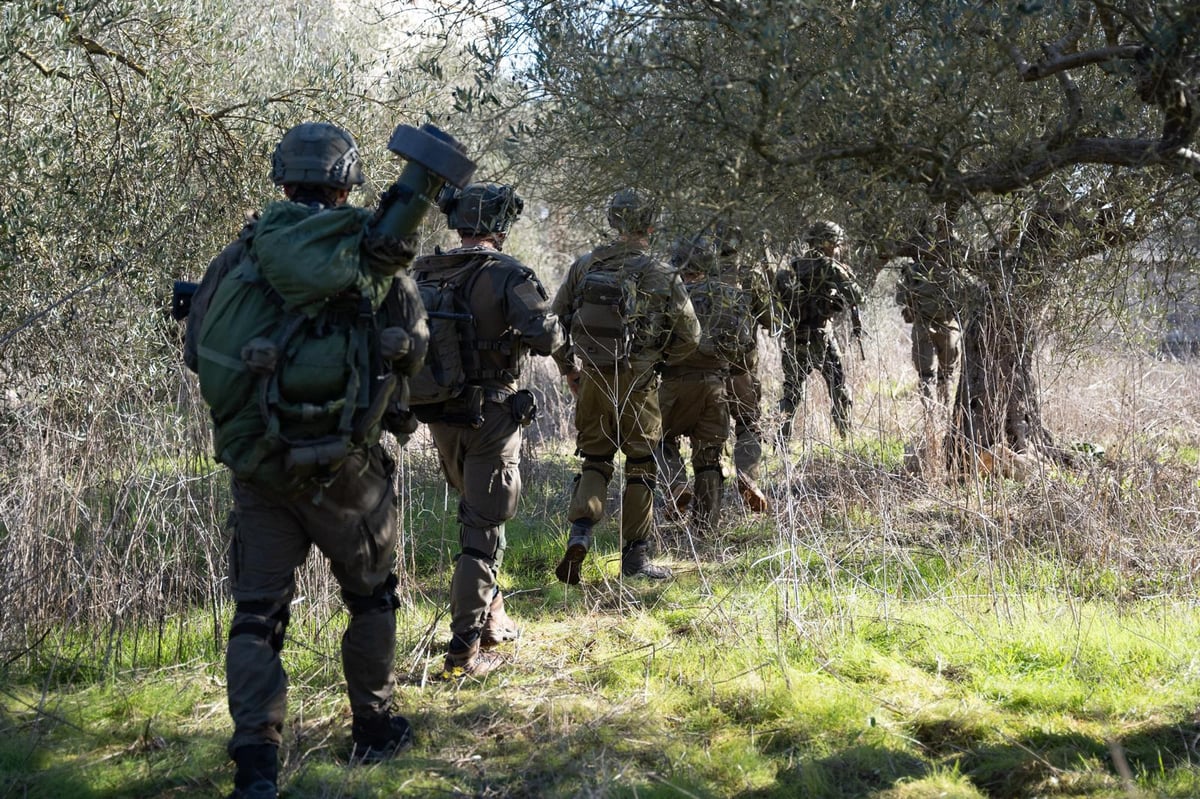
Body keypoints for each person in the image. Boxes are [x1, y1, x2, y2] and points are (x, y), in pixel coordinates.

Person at [183, 122, 430, 799]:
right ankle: (374, 728)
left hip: (261, 470)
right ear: (348, 182)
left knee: (258, 613)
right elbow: (413, 352)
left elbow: (196, 346)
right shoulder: (375, 260)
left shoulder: (241, 255)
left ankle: (257, 763)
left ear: (282, 179)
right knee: (373, 596)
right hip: (348, 471)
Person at [409, 183, 563, 677]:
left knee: (473, 514)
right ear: (500, 226)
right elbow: (545, 336)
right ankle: (463, 653)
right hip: (492, 417)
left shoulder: (424, 271)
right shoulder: (507, 273)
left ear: (459, 224)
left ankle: (493, 622)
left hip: (438, 413)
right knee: (482, 535)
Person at [550, 188, 701, 584]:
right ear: (650, 225)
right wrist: (658, 362)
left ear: (612, 221)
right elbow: (691, 335)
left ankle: (580, 534)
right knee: (640, 466)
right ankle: (635, 560)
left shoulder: (584, 266)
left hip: (593, 378)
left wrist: (571, 370)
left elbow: (553, 323)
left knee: (595, 460)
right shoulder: (661, 273)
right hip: (639, 382)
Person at [654, 235, 734, 534]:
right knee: (710, 456)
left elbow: (649, 340)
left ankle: (675, 484)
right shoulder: (728, 296)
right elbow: (745, 344)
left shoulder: (664, 295)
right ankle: (705, 529)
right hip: (715, 385)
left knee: (656, 440)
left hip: (674, 383)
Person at [774, 220, 864, 441]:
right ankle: (846, 438)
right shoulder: (829, 266)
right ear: (826, 242)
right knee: (838, 387)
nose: (838, 248)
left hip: (795, 337)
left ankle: (781, 443)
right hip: (821, 337)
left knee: (791, 393)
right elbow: (857, 295)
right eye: (836, 243)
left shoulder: (795, 265)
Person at [712, 222, 775, 512]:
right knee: (749, 424)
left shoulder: (698, 271)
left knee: (708, 432)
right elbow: (771, 320)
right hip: (742, 369)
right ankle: (748, 478)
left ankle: (707, 499)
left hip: (705, 367)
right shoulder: (749, 275)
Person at [893, 214, 963, 406]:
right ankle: (937, 412)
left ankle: (937, 411)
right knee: (934, 375)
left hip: (939, 324)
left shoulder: (921, 270)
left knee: (938, 374)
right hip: (935, 325)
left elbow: (901, 298)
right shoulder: (946, 270)